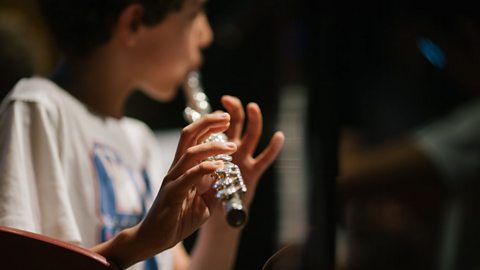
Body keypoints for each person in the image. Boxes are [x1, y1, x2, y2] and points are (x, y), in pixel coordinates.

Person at [0, 0, 285, 269]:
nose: (206, 36)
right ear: (133, 23)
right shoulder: (38, 108)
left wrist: (222, 221)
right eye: (194, 14)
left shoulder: (141, 142)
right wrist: (136, 243)